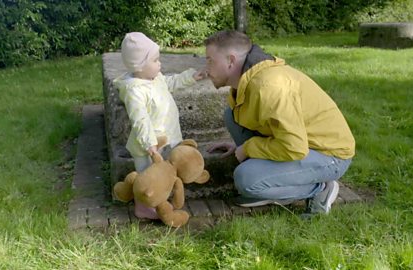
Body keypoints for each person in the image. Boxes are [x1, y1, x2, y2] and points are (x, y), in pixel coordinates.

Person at [205, 30, 355, 216]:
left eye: (210, 60)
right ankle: (272, 177)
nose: (205, 68)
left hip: (329, 155)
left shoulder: (269, 86)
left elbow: (294, 147)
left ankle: (320, 188)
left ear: (231, 60)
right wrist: (240, 145)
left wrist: (248, 147)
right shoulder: (248, 80)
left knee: (247, 180)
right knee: (231, 116)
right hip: (299, 143)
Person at [114, 32, 207, 219]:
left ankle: (162, 201)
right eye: (155, 60)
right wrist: (149, 143)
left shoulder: (154, 78)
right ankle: (143, 208)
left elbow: (170, 83)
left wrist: (191, 77)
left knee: (163, 175)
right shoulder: (135, 91)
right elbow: (140, 119)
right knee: (147, 177)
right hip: (149, 146)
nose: (160, 64)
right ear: (139, 65)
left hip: (166, 137)